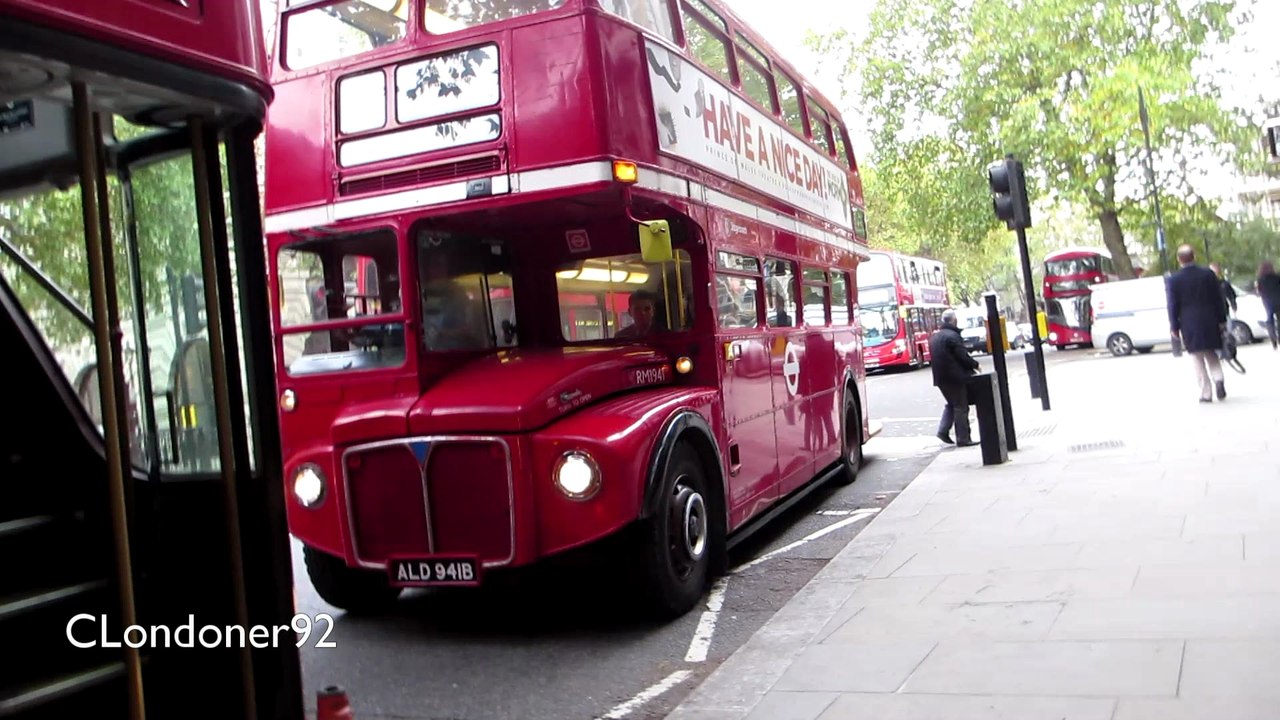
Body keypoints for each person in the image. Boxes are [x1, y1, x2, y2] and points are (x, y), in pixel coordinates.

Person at [1167, 245, 1228, 402]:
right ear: (1194, 256)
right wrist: (1222, 319)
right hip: (1210, 320)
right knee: (1211, 353)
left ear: (1179, 260)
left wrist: (1174, 326)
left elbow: (1172, 305)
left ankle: (1206, 393)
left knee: (1197, 357)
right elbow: (1218, 298)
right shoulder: (1208, 274)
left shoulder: (1174, 280)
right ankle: (1218, 379)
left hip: (1189, 323)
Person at [928, 308, 980, 447]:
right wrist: (975, 365)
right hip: (955, 378)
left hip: (941, 379)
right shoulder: (952, 336)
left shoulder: (935, 337)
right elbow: (962, 356)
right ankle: (963, 438)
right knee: (961, 406)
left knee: (952, 404)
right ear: (954, 320)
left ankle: (943, 431)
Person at [1257, 260, 1280, 349]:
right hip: (1278, 300)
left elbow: (1260, 291)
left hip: (1267, 302)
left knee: (1270, 320)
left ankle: (1273, 340)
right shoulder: (1277, 277)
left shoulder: (1260, 279)